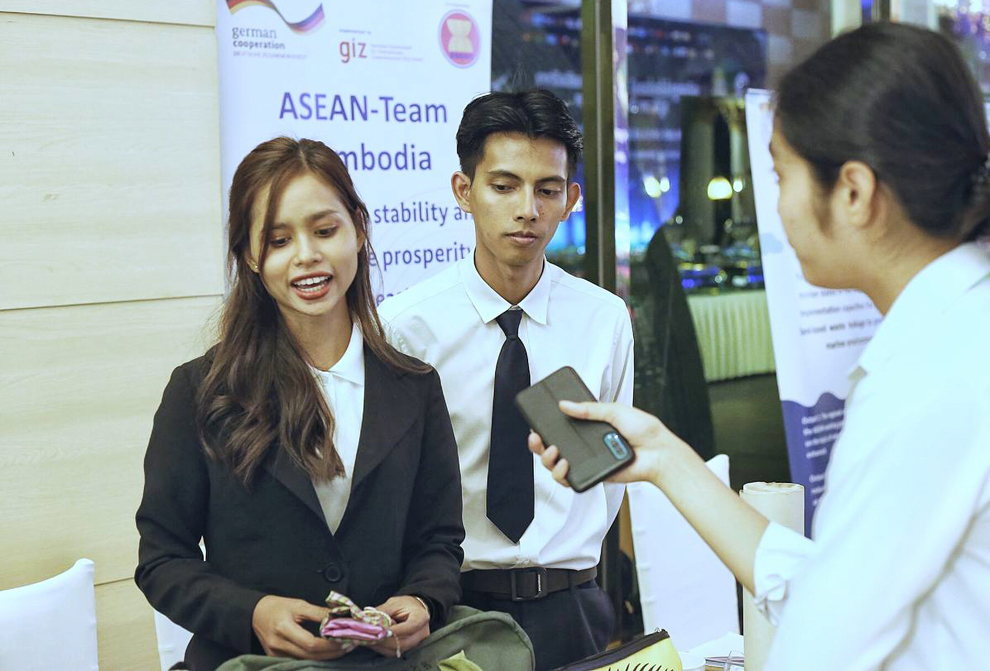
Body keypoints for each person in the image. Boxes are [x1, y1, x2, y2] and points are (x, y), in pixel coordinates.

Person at [530, 22, 990, 671]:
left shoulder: (925, 374)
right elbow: (837, 587)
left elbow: (821, 646)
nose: (777, 210)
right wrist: (662, 455)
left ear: (854, 193)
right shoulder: (960, 327)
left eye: (779, 176)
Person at [134, 137, 465, 671]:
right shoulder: (200, 390)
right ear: (249, 255)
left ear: (359, 229)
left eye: (325, 230)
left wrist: (423, 599)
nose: (307, 255)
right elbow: (162, 562)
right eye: (279, 240)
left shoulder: (416, 387)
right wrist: (253, 612)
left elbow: (439, 539)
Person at [378, 89, 634, 670]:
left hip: (574, 605)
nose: (528, 209)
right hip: (455, 609)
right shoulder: (407, 326)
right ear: (464, 192)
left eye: (547, 190)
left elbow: (612, 474)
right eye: (504, 186)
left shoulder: (603, 319)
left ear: (570, 199)